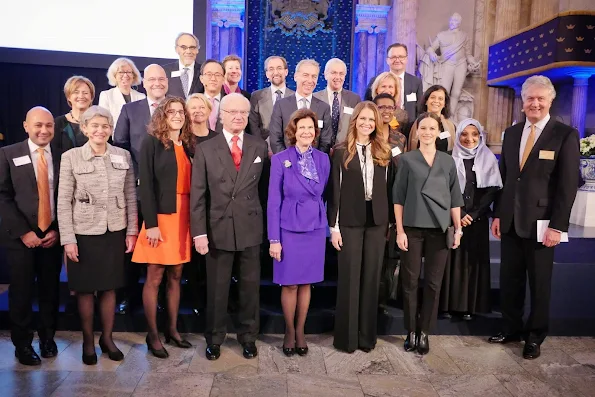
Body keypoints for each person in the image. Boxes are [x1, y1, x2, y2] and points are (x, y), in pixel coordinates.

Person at [488, 75, 580, 360]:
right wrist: (499, 215)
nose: (535, 103)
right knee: (510, 279)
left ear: (550, 101)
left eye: (541, 98)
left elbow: (567, 186)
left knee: (539, 283)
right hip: (512, 220)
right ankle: (511, 327)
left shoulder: (564, 134)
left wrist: (558, 226)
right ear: (522, 101)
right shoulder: (512, 133)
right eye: (530, 98)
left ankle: (535, 336)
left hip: (543, 225)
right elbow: (506, 178)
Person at [57, 106, 138, 365]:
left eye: (105, 126)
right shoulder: (71, 157)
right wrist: (68, 238)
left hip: (114, 230)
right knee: (84, 290)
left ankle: (108, 338)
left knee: (109, 288)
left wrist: (132, 231)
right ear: (85, 128)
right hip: (83, 233)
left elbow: (130, 196)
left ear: (111, 129)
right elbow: (63, 201)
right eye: (94, 126)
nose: (100, 130)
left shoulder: (123, 155)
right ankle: (89, 341)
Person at [191, 93, 269, 361]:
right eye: (232, 112)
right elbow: (198, 195)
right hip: (217, 228)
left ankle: (248, 337)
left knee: (249, 287)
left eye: (243, 113)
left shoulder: (259, 146)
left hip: (250, 226)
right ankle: (214, 339)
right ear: (220, 114)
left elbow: (265, 191)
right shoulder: (205, 149)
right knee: (217, 288)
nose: (238, 117)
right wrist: (199, 233)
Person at [394, 112, 464, 355]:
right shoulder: (406, 160)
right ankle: (411, 330)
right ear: (417, 131)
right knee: (410, 283)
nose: (427, 132)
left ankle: (424, 331)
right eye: (423, 128)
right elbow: (398, 199)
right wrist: (399, 230)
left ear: (438, 131)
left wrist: (458, 228)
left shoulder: (448, 161)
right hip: (412, 229)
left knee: (433, 283)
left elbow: (455, 198)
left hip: (439, 229)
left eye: (432, 128)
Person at [132, 97, 195, 358]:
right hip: (161, 218)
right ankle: (153, 335)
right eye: (172, 112)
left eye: (181, 112)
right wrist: (152, 224)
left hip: (184, 217)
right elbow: (145, 185)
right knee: (155, 276)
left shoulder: (189, 145)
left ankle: (172, 329)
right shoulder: (152, 143)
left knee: (177, 274)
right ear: (162, 115)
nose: (178, 116)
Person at [0, 107, 62, 366]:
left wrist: (59, 230)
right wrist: (25, 232)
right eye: (38, 125)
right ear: (26, 126)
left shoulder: (63, 155)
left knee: (50, 290)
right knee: (22, 291)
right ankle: (22, 344)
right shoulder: (7, 153)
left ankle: (48, 338)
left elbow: (67, 195)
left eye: (48, 125)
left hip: (52, 235)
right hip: (20, 237)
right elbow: (2, 196)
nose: (44, 130)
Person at [328, 102, 391, 353]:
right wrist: (334, 227)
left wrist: (389, 224)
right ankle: (346, 339)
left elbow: (389, 189)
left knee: (371, 279)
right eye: (363, 119)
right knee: (350, 280)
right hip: (349, 222)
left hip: (376, 223)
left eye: (371, 120)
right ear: (355, 121)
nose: (367, 124)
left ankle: (367, 338)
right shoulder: (341, 151)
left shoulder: (384, 151)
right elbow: (335, 192)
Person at [267, 109, 330, 356]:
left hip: (314, 226)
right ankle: (289, 331)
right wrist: (274, 239)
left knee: (306, 283)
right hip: (288, 227)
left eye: (310, 128)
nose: (306, 131)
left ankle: (301, 330)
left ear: (315, 133)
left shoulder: (324, 159)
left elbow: (325, 193)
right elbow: (273, 201)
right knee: (290, 283)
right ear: (294, 131)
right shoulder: (281, 158)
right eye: (301, 127)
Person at [113, 64, 169, 314]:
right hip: (137, 189)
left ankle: (159, 296)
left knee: (162, 246)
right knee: (134, 245)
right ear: (143, 83)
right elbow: (121, 144)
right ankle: (128, 295)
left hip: (168, 192)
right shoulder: (130, 109)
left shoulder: (176, 109)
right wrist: (138, 175)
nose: (157, 83)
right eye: (152, 79)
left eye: (161, 79)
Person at [440, 118, 501, 320]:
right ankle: (447, 306)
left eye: (474, 134)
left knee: (471, 262)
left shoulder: (488, 158)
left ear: (480, 136)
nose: (469, 139)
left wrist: (473, 214)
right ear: (458, 136)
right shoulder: (448, 158)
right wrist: (460, 213)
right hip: (453, 217)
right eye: (464, 134)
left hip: (477, 220)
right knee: (451, 262)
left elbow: (492, 191)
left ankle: (469, 306)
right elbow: (444, 188)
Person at [420, 13, 480, 114]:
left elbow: (468, 54)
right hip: (447, 63)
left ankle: (450, 116)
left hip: (461, 64)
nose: (453, 22)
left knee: (456, 92)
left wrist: (474, 62)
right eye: (452, 20)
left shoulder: (464, 36)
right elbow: (431, 48)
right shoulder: (442, 35)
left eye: (456, 21)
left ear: (459, 23)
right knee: (444, 91)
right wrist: (431, 54)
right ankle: (441, 114)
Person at [269, 59, 332, 154]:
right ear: (295, 77)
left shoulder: (324, 108)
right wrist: (288, 162)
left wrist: (312, 161)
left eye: (314, 76)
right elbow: (275, 139)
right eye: (305, 75)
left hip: (314, 165)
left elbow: (325, 142)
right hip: (286, 164)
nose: (310, 80)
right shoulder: (281, 105)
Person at [365, 43, 423, 136]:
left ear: (406, 59)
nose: (397, 60)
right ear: (387, 60)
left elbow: (420, 109)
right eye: (393, 57)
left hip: (408, 131)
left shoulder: (416, 82)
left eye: (401, 57)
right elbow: (367, 105)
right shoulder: (375, 80)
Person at [313, 58, 361, 146]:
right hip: (319, 149)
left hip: (345, 150)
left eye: (341, 74)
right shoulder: (314, 98)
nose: (338, 77)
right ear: (325, 75)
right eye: (334, 73)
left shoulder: (354, 99)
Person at [249, 56, 295, 142]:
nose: (276, 72)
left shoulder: (295, 97)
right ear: (267, 74)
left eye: (279, 68)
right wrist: (262, 146)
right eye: (271, 69)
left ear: (286, 72)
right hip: (263, 147)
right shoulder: (256, 96)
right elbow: (253, 126)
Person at [98, 57, 146, 128]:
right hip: (113, 137)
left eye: (129, 72)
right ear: (114, 75)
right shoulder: (106, 95)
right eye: (121, 72)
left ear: (134, 75)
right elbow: (103, 122)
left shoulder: (142, 97)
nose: (125, 75)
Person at [407, 85, 456, 152]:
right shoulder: (411, 126)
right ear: (426, 101)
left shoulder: (452, 127)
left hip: (443, 162)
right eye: (433, 97)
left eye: (440, 99)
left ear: (444, 104)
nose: (436, 101)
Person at [55, 76, 95, 152]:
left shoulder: (99, 122)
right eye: (76, 92)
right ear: (69, 97)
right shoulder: (58, 123)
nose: (81, 96)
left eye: (85, 93)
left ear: (91, 97)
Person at [162, 32, 204, 99]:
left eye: (192, 47)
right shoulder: (164, 71)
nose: (188, 51)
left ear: (197, 50)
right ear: (177, 49)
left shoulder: (204, 71)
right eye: (184, 47)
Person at [199, 60, 226, 133]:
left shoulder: (231, 102)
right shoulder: (193, 102)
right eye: (209, 74)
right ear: (201, 79)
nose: (213, 79)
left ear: (223, 79)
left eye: (217, 75)